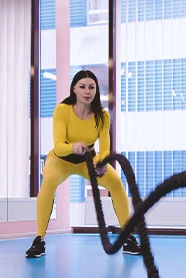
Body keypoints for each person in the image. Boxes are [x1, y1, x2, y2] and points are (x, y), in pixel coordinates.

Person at [26, 70, 141, 258]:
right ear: (74, 89)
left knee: (116, 182)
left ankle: (127, 238)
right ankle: (39, 240)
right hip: (61, 159)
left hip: (88, 159)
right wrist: (73, 146)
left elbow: (104, 148)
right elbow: (59, 146)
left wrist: (103, 162)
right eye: (82, 87)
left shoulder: (102, 116)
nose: (87, 91)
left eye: (91, 87)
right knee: (48, 182)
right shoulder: (62, 110)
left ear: (96, 90)